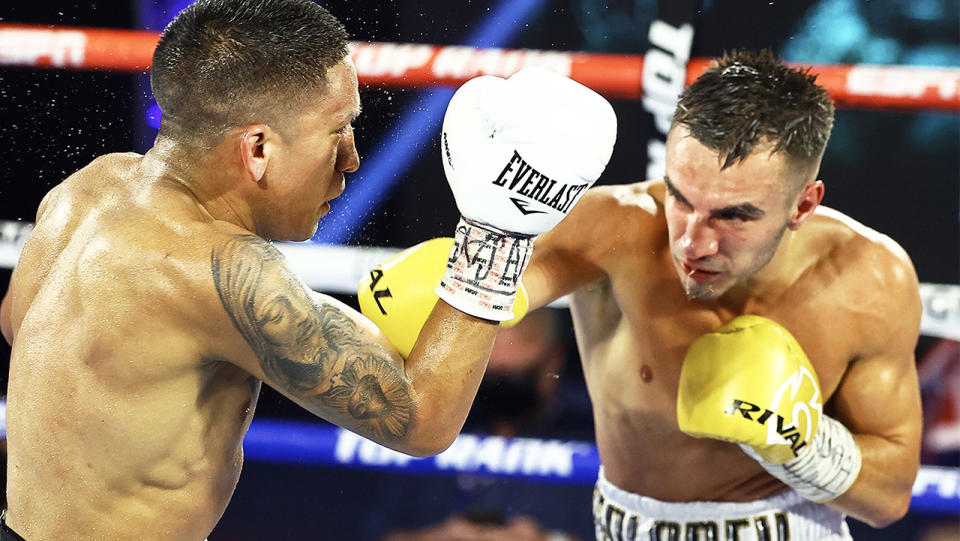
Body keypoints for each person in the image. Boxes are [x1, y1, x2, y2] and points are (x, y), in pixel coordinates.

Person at [0, 0, 616, 539]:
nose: (351, 159)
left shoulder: (91, 188)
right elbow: (421, 419)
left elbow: (17, 325)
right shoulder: (216, 269)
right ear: (258, 148)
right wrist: (497, 230)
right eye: (337, 131)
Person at [365, 50, 922, 540]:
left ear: (803, 205)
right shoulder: (613, 230)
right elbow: (481, 293)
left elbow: (889, 498)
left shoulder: (869, 281)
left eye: (734, 215)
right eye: (680, 197)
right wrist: (477, 256)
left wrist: (800, 443)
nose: (693, 240)